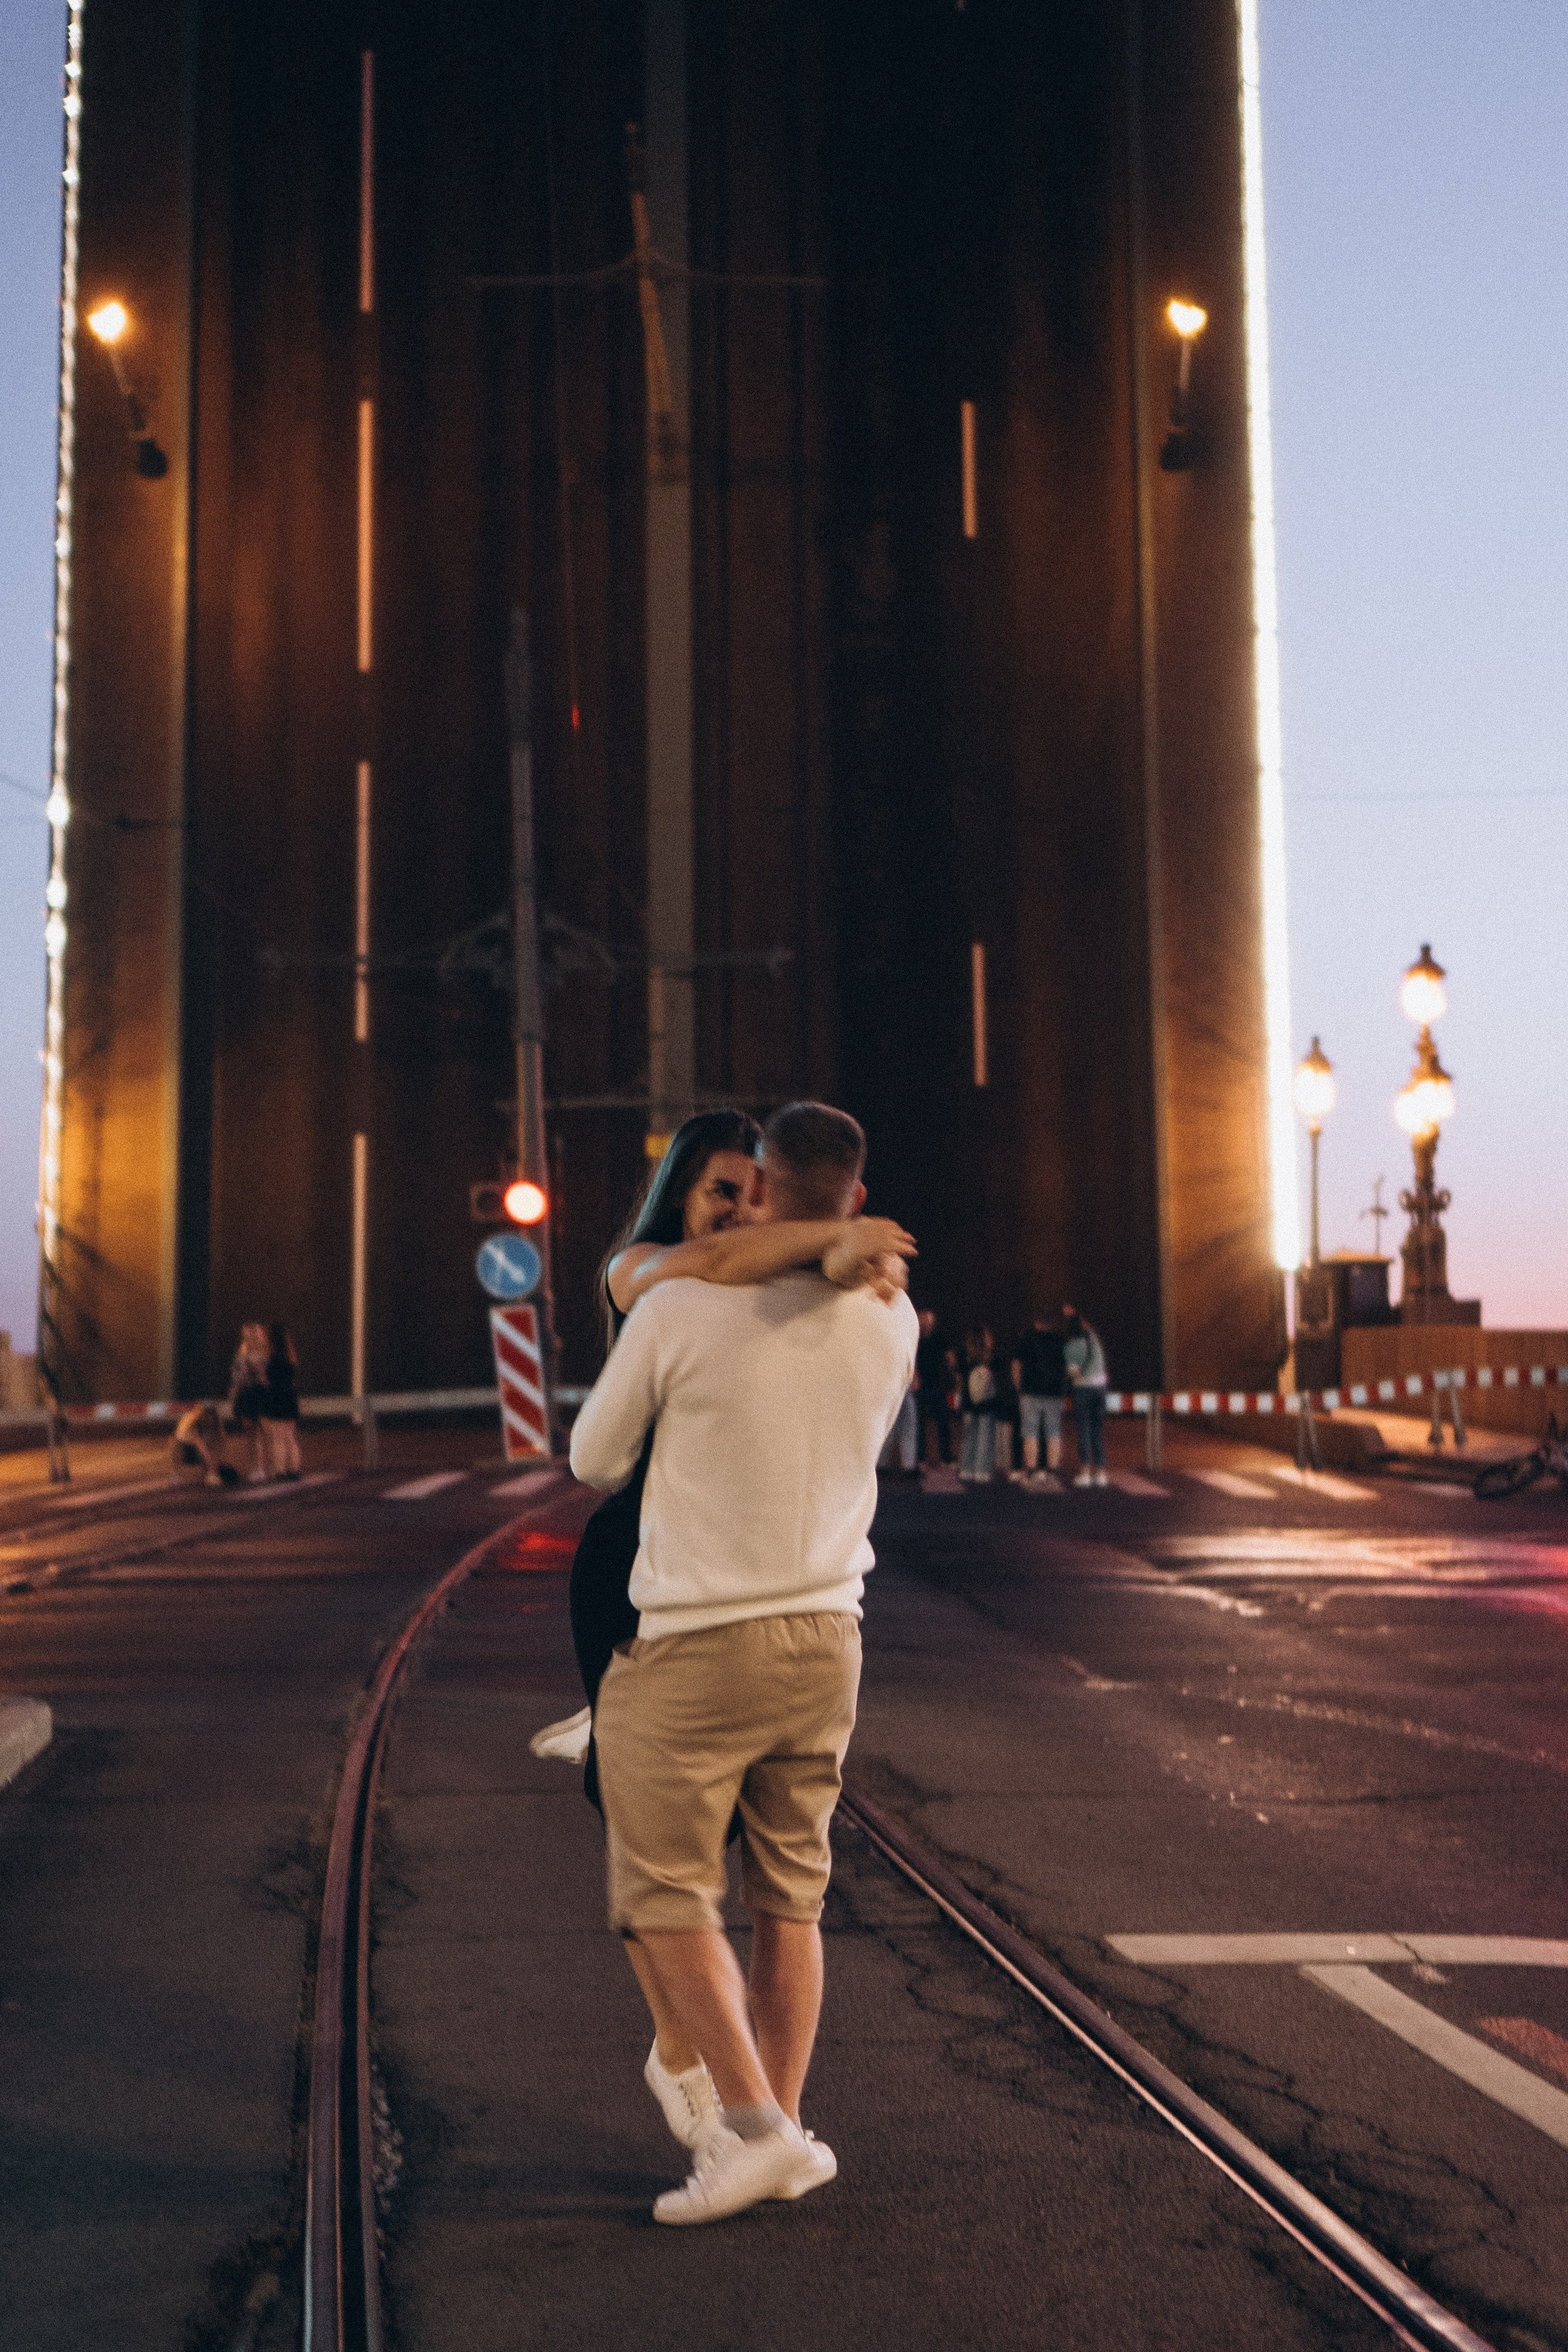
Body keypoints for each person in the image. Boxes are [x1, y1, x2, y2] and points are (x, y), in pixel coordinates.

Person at [533, 1107, 914, 2154]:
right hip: (659, 1574)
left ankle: (755, 2125)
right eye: (719, 1193)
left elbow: (592, 1453)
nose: (738, 1211)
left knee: (673, 1884)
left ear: (773, 1190)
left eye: (756, 1191)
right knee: (727, 1870)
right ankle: (732, 2097)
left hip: (702, 1603)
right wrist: (835, 1239)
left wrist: (826, 1245)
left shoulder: (699, 1309)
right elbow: (705, 1265)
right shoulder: (662, 1275)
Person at [1011, 1311, 1068, 1485]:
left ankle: (1032, 1470)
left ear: (1036, 1323)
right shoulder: (1060, 1341)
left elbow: (1016, 1365)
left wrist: (1019, 1386)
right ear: (1051, 1324)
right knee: (1053, 1432)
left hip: (1030, 1391)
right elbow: (1066, 1367)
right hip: (1054, 1392)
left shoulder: (1026, 1340)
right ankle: (1051, 1471)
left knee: (1030, 1432)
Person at [1063, 1303, 1109, 1488]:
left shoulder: (1070, 1348)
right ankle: (1101, 1473)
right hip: (1100, 1388)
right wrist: (1076, 1314)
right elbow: (1087, 1327)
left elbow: (1074, 1373)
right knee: (1097, 1430)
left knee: (1083, 1429)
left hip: (1083, 1390)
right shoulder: (1094, 1340)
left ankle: (1085, 1472)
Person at [227, 1323, 271, 1482]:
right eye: (245, 1333)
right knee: (250, 1435)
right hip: (245, 1394)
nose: (247, 1336)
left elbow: (266, 1374)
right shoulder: (243, 1349)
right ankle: (255, 1468)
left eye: (250, 1333)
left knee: (263, 1433)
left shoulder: (265, 1350)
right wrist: (234, 1390)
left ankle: (265, 1468)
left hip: (259, 1394)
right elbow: (236, 1372)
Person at [261, 1322, 302, 1479]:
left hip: (276, 1397)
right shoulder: (290, 1357)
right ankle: (295, 1470)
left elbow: (267, 1380)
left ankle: (281, 1471)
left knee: (278, 1439)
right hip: (290, 1397)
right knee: (290, 1437)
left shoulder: (272, 1359)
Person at [913, 1309, 953, 1464]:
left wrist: (951, 1369)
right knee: (920, 1424)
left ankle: (946, 1457)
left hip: (937, 1385)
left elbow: (950, 1357)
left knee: (943, 1421)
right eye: (926, 1322)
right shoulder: (916, 1339)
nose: (929, 1325)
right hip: (921, 1386)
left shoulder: (939, 1339)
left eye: (931, 1322)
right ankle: (920, 1457)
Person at [168, 1401, 239, 1487]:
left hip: (199, 1445)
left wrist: (220, 1462)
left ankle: (211, 1472)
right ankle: (178, 1475)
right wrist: (213, 1470)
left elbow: (222, 1439)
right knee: (174, 1443)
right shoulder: (191, 1424)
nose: (210, 1419)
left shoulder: (213, 1422)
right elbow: (201, 1446)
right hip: (186, 1447)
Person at [959, 1327, 997, 1482]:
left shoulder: (966, 1359)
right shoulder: (989, 1360)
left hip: (969, 1403)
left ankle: (967, 1469)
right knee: (984, 1438)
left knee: (969, 1437)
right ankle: (982, 1470)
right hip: (986, 1405)